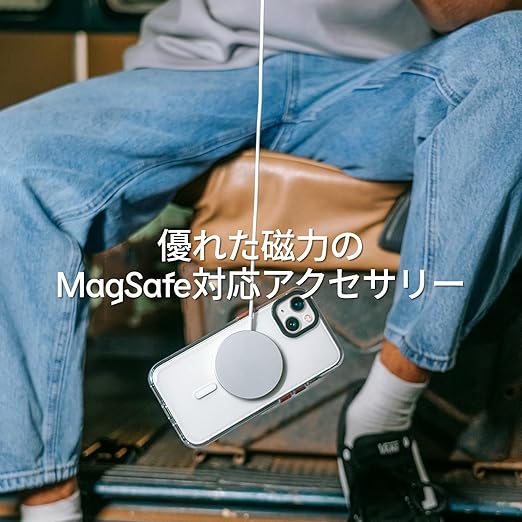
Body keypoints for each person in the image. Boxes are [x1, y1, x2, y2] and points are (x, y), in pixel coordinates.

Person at [1, 1, 520, 521]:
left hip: (374, 81)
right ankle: (49, 505)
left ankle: (383, 411)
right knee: (11, 161)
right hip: (195, 70)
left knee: (513, 51)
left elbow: (463, 13)